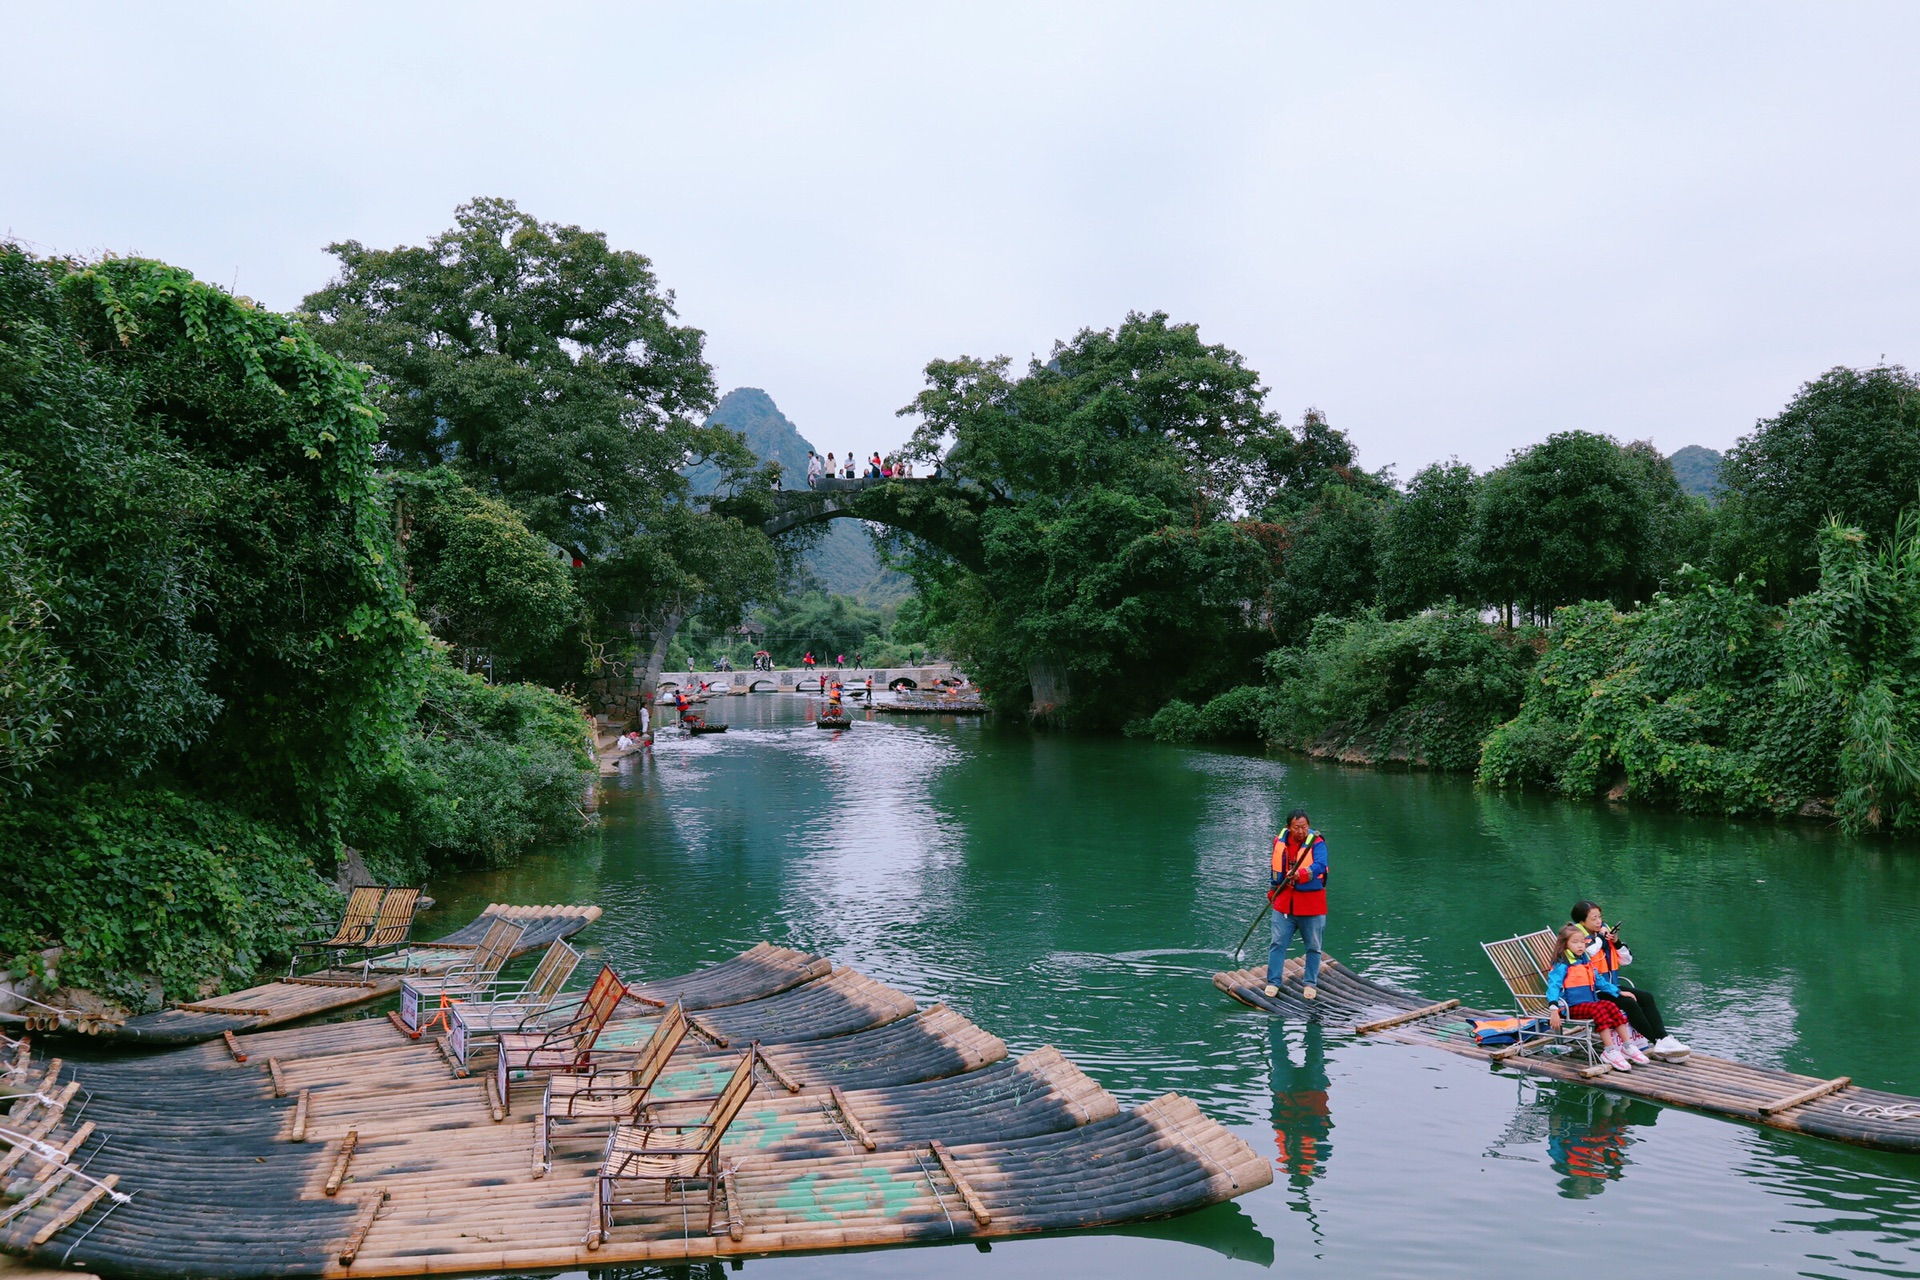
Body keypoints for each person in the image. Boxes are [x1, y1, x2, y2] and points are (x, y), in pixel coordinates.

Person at [1569, 901, 1690, 1062]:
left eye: (1600, 917)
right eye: (1594, 918)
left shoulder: (1604, 934)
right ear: (1582, 922)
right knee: (1629, 1003)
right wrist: (1599, 937)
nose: (1599, 921)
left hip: (1610, 986)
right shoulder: (1575, 938)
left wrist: (1616, 941)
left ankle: (1663, 1039)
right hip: (1592, 991)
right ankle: (1658, 1042)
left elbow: (1626, 960)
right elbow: (1586, 953)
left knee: (1646, 996)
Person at [1545, 923, 1647, 1072]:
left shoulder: (1585, 961)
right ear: (1564, 944)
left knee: (1610, 1006)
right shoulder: (1562, 965)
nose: (1580, 946)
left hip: (1588, 1004)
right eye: (1575, 942)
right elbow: (1553, 987)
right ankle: (1609, 1050)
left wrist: (1618, 992)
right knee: (1598, 1008)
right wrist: (1554, 1010)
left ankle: (1627, 1046)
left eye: (1582, 942)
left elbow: (1600, 981)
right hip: (1569, 1007)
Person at [1264, 809, 1328, 1001]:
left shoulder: (1317, 842)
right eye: (1296, 827)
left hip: (1312, 906)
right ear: (1288, 828)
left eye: (1304, 827)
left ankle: (1310, 983)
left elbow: (1320, 865)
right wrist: (1273, 890)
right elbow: (1275, 868)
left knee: (1314, 947)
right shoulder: (1280, 842)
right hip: (1284, 903)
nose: (1301, 831)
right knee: (1277, 944)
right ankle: (1273, 982)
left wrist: (1300, 873)